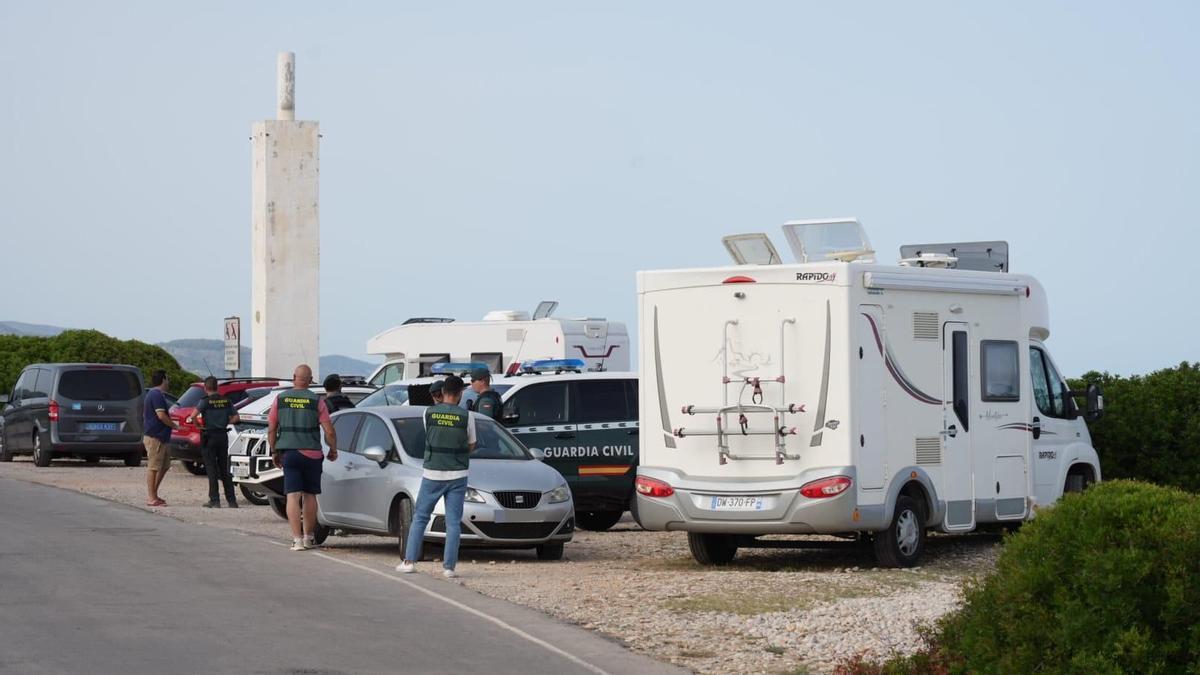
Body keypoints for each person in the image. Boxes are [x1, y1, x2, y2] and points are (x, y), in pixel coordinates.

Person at [396, 375, 476, 579]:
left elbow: (431, 435)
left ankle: (409, 562)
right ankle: (449, 568)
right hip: (458, 474)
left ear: (442, 393)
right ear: (459, 394)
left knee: (421, 517)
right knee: (453, 522)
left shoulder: (428, 413)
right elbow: (471, 444)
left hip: (432, 473)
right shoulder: (468, 416)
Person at [268, 364, 338, 551]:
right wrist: (333, 449)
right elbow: (329, 431)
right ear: (310, 380)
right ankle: (308, 537)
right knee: (310, 496)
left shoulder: (280, 399)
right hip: (312, 454)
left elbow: (272, 427)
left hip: (289, 453)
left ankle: (297, 540)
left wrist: (274, 450)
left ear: (294, 377)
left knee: (292, 495)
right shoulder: (317, 401)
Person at [189, 376, 240, 508]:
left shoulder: (205, 401)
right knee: (224, 468)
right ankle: (232, 500)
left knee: (211, 468)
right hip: (223, 435)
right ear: (217, 387)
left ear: (205, 388)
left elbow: (193, 415)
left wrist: (199, 426)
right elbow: (236, 417)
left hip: (209, 436)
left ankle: (215, 500)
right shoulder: (226, 400)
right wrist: (224, 422)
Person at [143, 369, 179, 507]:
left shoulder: (156, 395)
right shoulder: (156, 395)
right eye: (167, 379)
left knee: (164, 466)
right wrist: (174, 426)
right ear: (163, 380)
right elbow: (161, 415)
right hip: (155, 437)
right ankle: (151, 497)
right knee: (153, 467)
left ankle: (154, 494)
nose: (168, 382)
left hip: (162, 437)